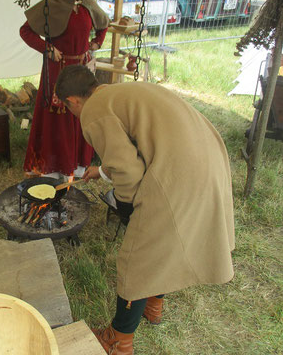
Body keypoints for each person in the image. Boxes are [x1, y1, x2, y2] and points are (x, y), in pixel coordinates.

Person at [56, 64, 236, 355]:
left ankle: (118, 341)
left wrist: (126, 206)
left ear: (73, 101)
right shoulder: (120, 93)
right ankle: (153, 306)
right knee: (159, 247)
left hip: (179, 172)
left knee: (137, 257)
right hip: (207, 158)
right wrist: (101, 172)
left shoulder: (93, 111)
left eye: (68, 109)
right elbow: (140, 145)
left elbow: (128, 170)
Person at [20, 0, 110, 180]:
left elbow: (103, 25)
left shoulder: (88, 3)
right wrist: (47, 48)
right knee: (57, 119)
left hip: (81, 71)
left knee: (81, 114)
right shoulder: (54, 2)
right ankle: (53, 167)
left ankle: (77, 165)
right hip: (56, 70)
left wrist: (96, 43)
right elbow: (26, 31)